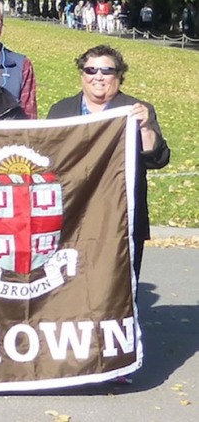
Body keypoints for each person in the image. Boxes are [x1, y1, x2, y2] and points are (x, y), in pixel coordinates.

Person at [47, 45, 169, 278]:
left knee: (118, 285)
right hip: (72, 215)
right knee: (71, 286)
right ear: (82, 74)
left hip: (120, 218)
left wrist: (144, 127)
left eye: (107, 70)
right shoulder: (61, 110)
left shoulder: (135, 109)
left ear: (119, 75)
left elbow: (158, 159)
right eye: (91, 70)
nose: (98, 77)